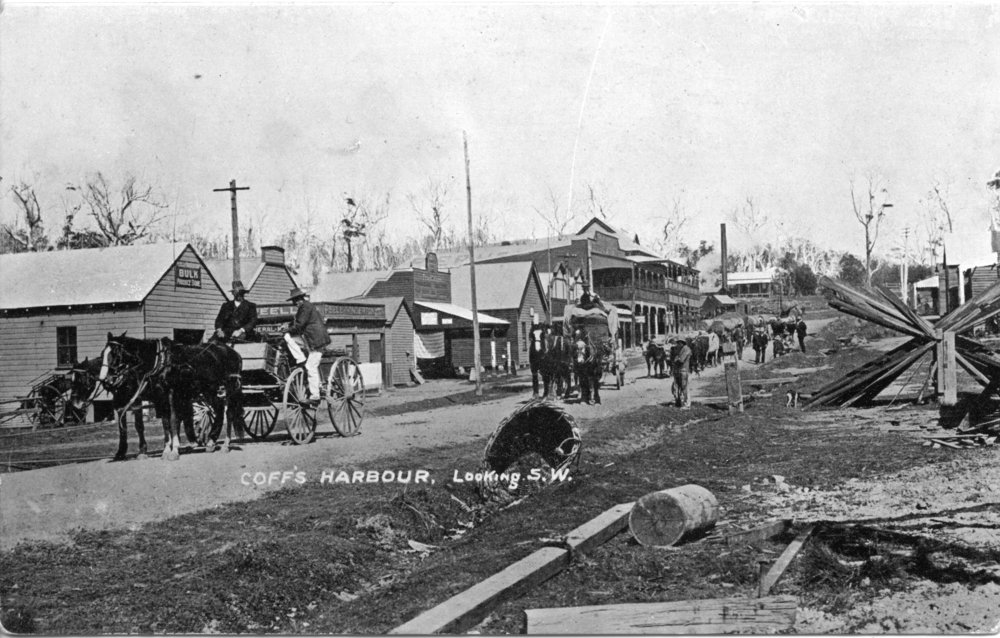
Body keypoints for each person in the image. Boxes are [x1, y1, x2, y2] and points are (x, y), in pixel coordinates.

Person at [284, 287, 331, 406]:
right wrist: (288, 326)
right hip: (313, 340)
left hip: (316, 340)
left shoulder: (305, 307)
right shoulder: (306, 306)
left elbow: (299, 325)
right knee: (289, 337)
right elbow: (298, 322)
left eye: (295, 301)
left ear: (299, 299)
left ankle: (315, 396)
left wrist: (286, 329)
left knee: (310, 367)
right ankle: (301, 360)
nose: (294, 304)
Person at [671, 337, 692, 408]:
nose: (677, 344)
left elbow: (680, 360)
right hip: (678, 371)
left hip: (683, 370)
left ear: (682, 343)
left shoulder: (686, 349)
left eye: (679, 343)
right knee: (676, 387)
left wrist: (676, 359)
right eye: (677, 343)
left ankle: (687, 404)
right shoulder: (680, 350)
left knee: (684, 387)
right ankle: (678, 402)